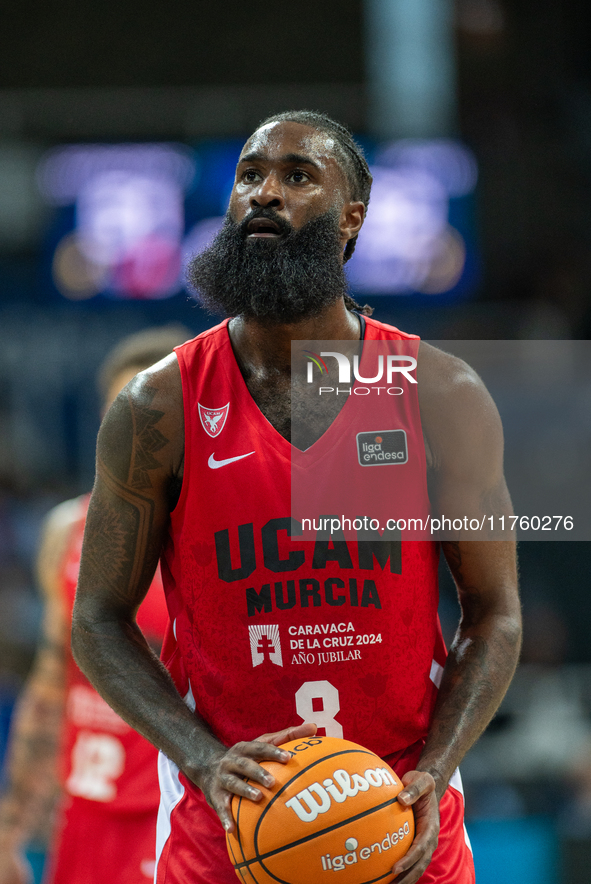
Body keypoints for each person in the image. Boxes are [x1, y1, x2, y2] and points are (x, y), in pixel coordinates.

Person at [71, 111, 522, 884]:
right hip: (228, 820)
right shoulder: (159, 407)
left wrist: (436, 769)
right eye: (249, 176)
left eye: (297, 176)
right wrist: (203, 760)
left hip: (402, 812)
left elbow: (494, 613)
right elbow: (98, 621)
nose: (264, 195)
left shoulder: (439, 393)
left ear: (352, 219)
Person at [0, 326, 190, 884]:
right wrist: (12, 825)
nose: (136, 433)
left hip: (177, 816)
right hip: (85, 817)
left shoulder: (222, 542)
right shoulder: (68, 530)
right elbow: (51, 679)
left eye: (153, 416)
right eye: (122, 415)